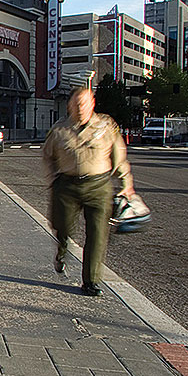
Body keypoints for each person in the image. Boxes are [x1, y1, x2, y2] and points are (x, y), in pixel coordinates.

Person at [41, 87, 134, 297]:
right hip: (67, 185)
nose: (80, 108)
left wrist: (126, 183)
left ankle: (91, 281)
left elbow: (119, 156)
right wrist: (52, 180)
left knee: (98, 234)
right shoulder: (59, 130)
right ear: (69, 106)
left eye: (84, 103)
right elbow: (47, 156)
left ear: (92, 103)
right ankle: (62, 249)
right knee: (61, 226)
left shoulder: (106, 127)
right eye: (76, 104)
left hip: (99, 186)